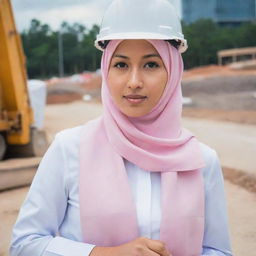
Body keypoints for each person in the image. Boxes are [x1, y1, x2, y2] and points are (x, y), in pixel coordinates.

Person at [9, 0, 233, 255]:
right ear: (106, 70)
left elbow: (219, 250)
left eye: (151, 64)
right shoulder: (70, 148)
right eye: (121, 65)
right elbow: (24, 244)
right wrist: (105, 254)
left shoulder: (202, 160)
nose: (134, 81)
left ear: (172, 71)